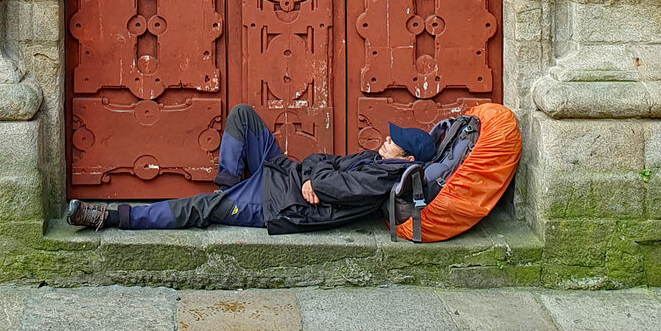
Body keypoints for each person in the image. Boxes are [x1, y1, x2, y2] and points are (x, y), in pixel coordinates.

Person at [66, 103, 436, 234]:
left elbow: (333, 185)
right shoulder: (375, 160)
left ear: (407, 160)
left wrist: (315, 178)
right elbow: (322, 161)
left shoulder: (380, 179)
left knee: (200, 209)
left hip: (281, 203)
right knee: (243, 115)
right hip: (287, 175)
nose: (386, 140)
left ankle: (110, 218)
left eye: (394, 142)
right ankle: (227, 188)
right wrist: (311, 175)